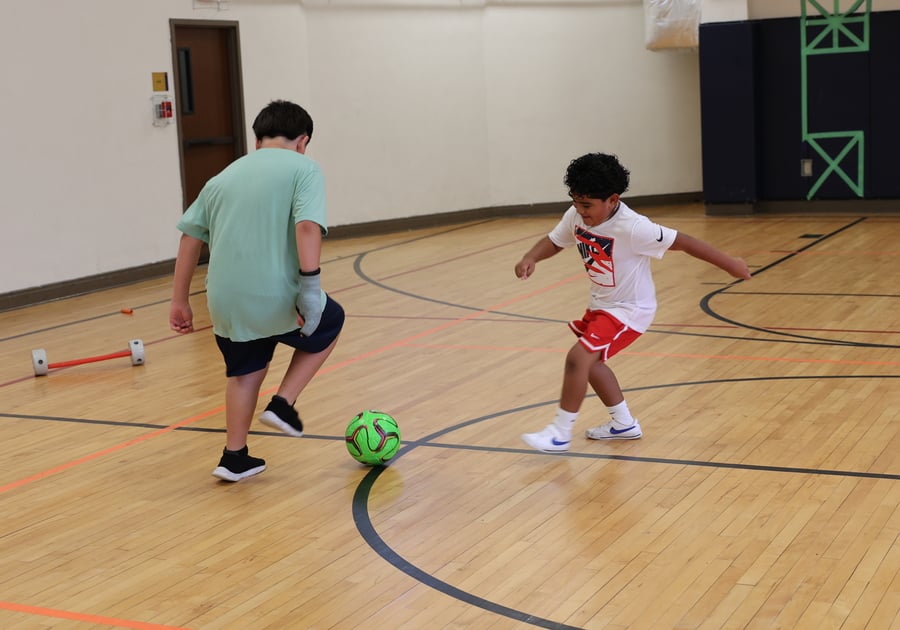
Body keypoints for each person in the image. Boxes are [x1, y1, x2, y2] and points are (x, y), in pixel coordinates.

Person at [515, 153, 750, 452]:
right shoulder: (575, 216)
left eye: (587, 205)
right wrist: (531, 257)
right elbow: (555, 240)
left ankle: (559, 433)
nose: (580, 211)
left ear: (612, 200)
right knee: (593, 365)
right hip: (602, 304)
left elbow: (686, 242)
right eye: (576, 202)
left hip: (630, 310)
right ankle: (623, 424)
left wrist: (731, 265)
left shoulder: (635, 227)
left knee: (578, 358)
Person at [169, 100, 344, 481]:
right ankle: (283, 403)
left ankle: (234, 457)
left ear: (257, 138)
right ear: (303, 141)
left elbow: (190, 238)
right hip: (277, 293)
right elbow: (307, 227)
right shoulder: (305, 168)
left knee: (245, 371)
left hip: (225, 299)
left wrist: (180, 300)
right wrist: (310, 288)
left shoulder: (222, 177)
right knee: (331, 322)